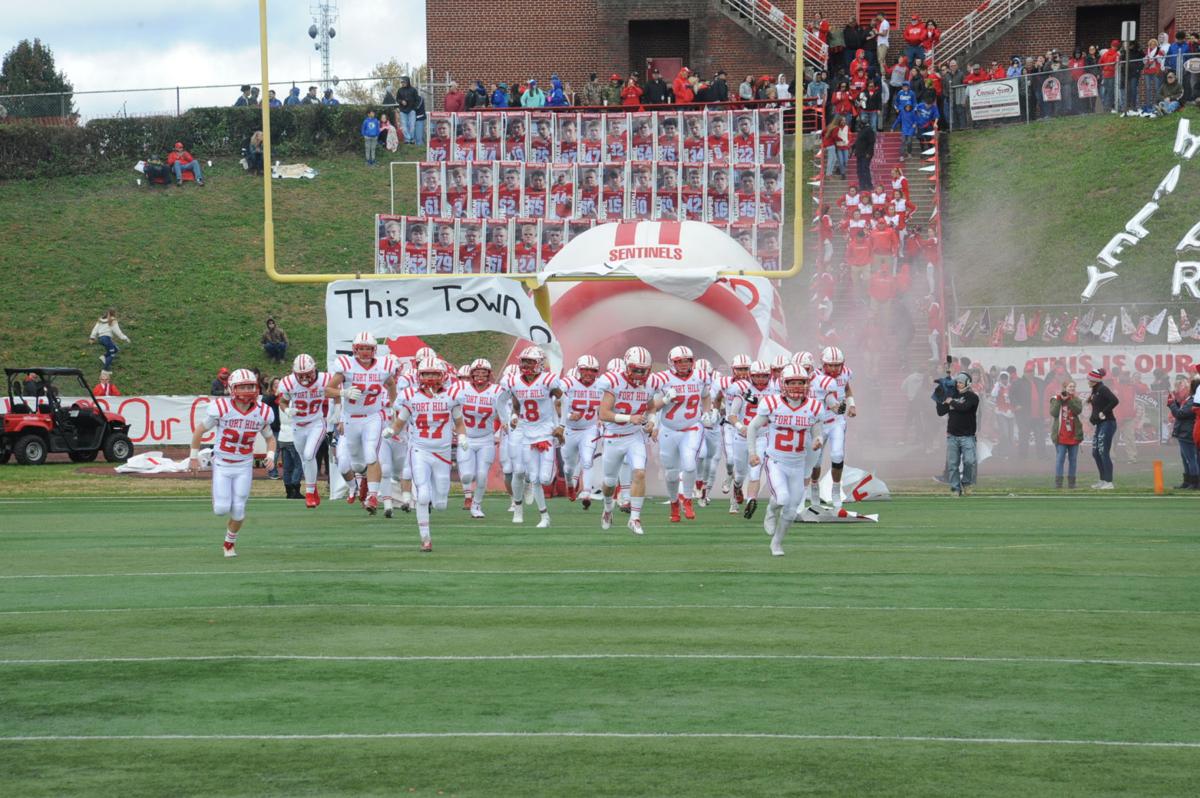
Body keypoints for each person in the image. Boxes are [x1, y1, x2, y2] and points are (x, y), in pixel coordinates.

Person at [188, 369, 276, 558]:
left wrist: (270, 455)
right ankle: (217, 495)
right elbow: (199, 431)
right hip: (222, 463)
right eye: (243, 387)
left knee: (239, 510)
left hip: (244, 465)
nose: (247, 390)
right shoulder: (222, 408)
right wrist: (193, 457)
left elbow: (270, 438)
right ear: (232, 389)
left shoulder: (262, 412)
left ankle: (229, 543)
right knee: (221, 509)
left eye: (250, 386)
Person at [747, 364, 829, 555]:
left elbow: (817, 431)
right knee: (782, 498)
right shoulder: (772, 403)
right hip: (776, 460)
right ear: (784, 384)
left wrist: (817, 440)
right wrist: (752, 453)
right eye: (792, 382)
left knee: (791, 511)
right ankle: (770, 511)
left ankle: (776, 544)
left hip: (798, 464)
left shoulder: (814, 406)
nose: (797, 386)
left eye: (801, 382)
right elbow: (752, 427)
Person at [389, 357, 466, 552]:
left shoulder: (451, 396)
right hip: (420, 450)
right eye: (426, 373)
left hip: (442, 452)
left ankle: (433, 501)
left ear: (442, 375)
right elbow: (399, 423)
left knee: (441, 504)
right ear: (419, 375)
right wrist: (391, 431)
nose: (430, 377)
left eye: (434, 373)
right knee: (423, 495)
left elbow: (459, 423)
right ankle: (425, 539)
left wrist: (462, 436)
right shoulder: (411, 396)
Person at [328, 331, 399, 513]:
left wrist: (393, 405)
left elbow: (391, 384)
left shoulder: (383, 366)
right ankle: (363, 483)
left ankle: (373, 496)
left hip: (373, 417)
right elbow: (327, 390)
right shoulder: (347, 366)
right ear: (355, 349)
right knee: (358, 464)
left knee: (371, 454)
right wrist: (343, 392)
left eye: (368, 348)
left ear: (374, 349)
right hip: (351, 419)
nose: (365, 352)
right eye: (362, 348)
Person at [597, 346, 660, 535]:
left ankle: (634, 519)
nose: (640, 374)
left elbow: (651, 408)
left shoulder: (651, 383)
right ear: (627, 366)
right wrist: (629, 418)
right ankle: (608, 508)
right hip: (613, 436)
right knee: (609, 483)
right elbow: (604, 413)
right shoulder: (614, 381)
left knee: (639, 473)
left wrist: (652, 422)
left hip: (634, 436)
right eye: (636, 369)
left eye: (643, 370)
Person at [649, 346, 713, 522]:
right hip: (668, 429)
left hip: (692, 427)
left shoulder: (701, 376)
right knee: (671, 472)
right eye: (679, 361)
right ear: (671, 363)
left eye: (687, 361)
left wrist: (706, 412)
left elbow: (706, 396)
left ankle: (688, 499)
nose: (684, 364)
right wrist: (665, 399)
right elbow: (651, 407)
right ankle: (674, 502)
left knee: (690, 465)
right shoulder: (661, 379)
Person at [501, 346, 564, 527]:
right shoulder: (514, 382)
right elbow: (513, 406)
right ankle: (542, 516)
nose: (526, 365)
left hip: (545, 433)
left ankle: (531, 483)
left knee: (544, 479)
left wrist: (562, 425)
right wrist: (512, 418)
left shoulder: (547, 380)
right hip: (526, 434)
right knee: (527, 474)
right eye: (524, 361)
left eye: (530, 361)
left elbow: (564, 399)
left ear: (540, 363)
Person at [276, 354, 332, 508]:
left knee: (308, 455)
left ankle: (309, 493)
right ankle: (313, 489)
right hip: (297, 426)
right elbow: (282, 402)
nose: (305, 378)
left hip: (316, 423)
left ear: (314, 369)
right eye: (301, 375)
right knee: (305, 460)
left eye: (308, 374)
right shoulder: (288, 382)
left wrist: (337, 413)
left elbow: (335, 394)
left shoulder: (324, 379)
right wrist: (287, 410)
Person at [456, 358, 505, 518]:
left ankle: (476, 505)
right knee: (467, 477)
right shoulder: (461, 389)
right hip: (467, 438)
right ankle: (468, 495)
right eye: (477, 373)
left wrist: (504, 427)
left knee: (482, 475)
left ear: (489, 374)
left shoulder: (497, 391)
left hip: (485, 439)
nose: (480, 376)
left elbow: (504, 412)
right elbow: (447, 406)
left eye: (484, 373)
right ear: (471, 374)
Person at [938, 371, 978, 496]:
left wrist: (951, 402)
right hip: (952, 436)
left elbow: (964, 408)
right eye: (957, 382)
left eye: (961, 382)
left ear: (967, 383)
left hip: (967, 436)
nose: (958, 384)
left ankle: (966, 483)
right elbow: (940, 412)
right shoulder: (952, 396)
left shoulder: (972, 397)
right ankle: (955, 488)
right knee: (952, 464)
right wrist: (940, 397)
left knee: (969, 461)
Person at [1085, 367, 1118, 489]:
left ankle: (1109, 482)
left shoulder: (1103, 389)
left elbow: (1115, 401)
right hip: (1100, 424)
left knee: (1103, 452)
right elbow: (1097, 407)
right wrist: (1092, 418)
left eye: (1089, 379)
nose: (1088, 381)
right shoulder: (1095, 390)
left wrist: (1104, 412)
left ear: (1095, 380)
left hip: (1108, 423)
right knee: (1096, 453)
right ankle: (1102, 480)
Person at [1049, 379, 1083, 488]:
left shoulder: (1076, 399)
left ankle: (1071, 483)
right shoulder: (1055, 398)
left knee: (1073, 460)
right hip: (1061, 435)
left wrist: (1069, 400)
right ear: (1064, 388)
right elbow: (1053, 413)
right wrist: (1060, 400)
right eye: (1070, 386)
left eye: (1073, 387)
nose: (1072, 388)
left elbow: (1078, 411)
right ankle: (1058, 483)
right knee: (1060, 459)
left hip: (1074, 434)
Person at [1166, 374, 1198, 489]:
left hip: (1187, 433)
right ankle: (1188, 481)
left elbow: (1180, 414)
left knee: (1190, 459)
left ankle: (1194, 482)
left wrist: (1171, 404)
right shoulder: (1190, 400)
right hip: (1185, 432)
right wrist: (1175, 402)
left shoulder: (1193, 400)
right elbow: (1181, 410)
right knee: (1186, 459)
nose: (1180, 390)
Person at [852, 117, 875, 189]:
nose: (858, 125)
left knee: (864, 169)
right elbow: (858, 141)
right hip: (859, 154)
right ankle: (862, 185)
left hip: (865, 154)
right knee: (859, 170)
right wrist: (853, 147)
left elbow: (872, 142)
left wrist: (869, 153)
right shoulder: (861, 130)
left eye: (859, 123)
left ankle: (869, 185)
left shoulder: (869, 130)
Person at [395, 77, 420, 142]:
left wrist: (414, 108)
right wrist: (401, 101)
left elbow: (417, 100)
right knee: (404, 126)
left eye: (404, 82)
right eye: (402, 82)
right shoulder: (400, 90)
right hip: (403, 111)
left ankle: (411, 138)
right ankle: (408, 139)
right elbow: (397, 99)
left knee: (412, 126)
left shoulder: (413, 90)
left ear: (408, 82)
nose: (403, 83)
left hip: (411, 110)